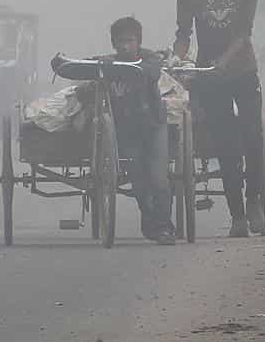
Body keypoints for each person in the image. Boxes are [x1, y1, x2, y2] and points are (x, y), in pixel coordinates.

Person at [174, 0, 265, 237]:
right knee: (226, 146)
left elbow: (244, 32)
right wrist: (179, 60)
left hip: (243, 70)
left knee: (252, 136)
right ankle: (237, 215)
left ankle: (254, 202)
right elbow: (184, 33)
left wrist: (224, 60)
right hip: (209, 77)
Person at [53, 17, 176, 244]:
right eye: (120, 42)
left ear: (138, 41)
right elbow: (78, 70)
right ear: (113, 43)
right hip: (126, 131)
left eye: (129, 41)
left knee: (159, 179)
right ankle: (152, 223)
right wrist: (60, 63)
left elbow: (150, 73)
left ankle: (164, 226)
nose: (125, 46)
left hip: (153, 126)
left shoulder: (150, 60)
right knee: (138, 181)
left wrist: (117, 70)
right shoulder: (108, 63)